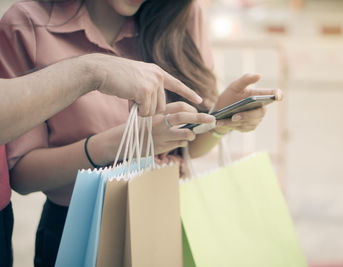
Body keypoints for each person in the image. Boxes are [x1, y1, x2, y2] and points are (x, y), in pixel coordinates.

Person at [0, 0, 282, 266]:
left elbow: (189, 149)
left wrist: (222, 119)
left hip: (173, 214)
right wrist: (121, 143)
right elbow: (23, 176)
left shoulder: (180, 12)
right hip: (79, 227)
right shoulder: (26, 25)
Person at [0, 53, 205, 267]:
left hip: (167, 212)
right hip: (77, 221)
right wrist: (93, 72)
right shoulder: (28, 29)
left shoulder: (176, 23)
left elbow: (193, 147)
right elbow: (23, 176)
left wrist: (220, 124)